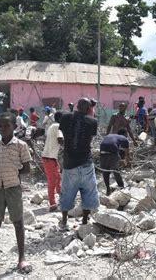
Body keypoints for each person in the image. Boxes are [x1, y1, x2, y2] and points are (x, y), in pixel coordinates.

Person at [0, 112, 32, 278]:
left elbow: (27, 168)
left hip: (13, 188)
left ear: (14, 126)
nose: (3, 128)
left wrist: (14, 172)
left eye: (6, 125)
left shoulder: (20, 145)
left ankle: (21, 258)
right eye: (0, 126)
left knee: (18, 222)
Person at [59, 98, 99, 230]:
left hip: (69, 163)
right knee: (88, 192)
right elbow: (89, 139)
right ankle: (85, 221)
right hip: (86, 162)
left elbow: (64, 135)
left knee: (66, 193)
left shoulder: (65, 117)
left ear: (76, 106)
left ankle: (64, 221)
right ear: (89, 109)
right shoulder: (93, 121)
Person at [41, 112, 63, 211]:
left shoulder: (51, 126)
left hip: (50, 157)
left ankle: (62, 198)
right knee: (52, 181)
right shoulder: (58, 126)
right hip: (50, 158)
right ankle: (52, 204)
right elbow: (60, 139)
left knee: (58, 178)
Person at [100, 129, 131, 196]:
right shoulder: (124, 138)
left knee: (105, 171)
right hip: (112, 151)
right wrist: (128, 163)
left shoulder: (110, 135)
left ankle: (108, 189)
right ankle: (122, 188)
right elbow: (127, 154)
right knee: (115, 170)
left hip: (102, 151)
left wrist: (119, 159)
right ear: (125, 134)